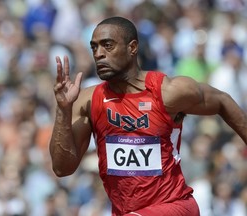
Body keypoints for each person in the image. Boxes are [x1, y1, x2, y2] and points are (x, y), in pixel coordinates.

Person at [49, 16, 247, 216]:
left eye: (107, 45)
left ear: (132, 47)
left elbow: (222, 100)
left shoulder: (168, 92)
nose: (99, 54)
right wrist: (63, 109)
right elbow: (62, 168)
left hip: (175, 206)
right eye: (94, 48)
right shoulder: (88, 101)